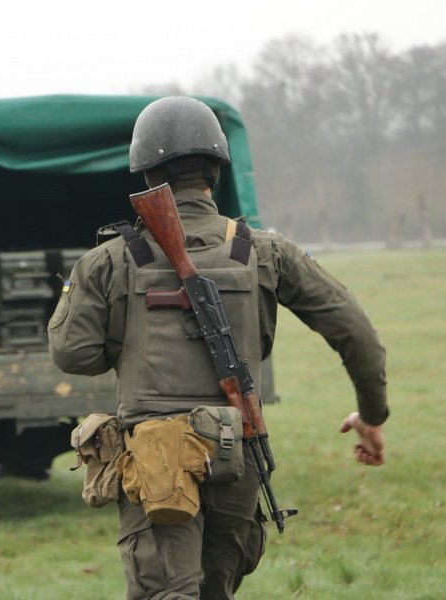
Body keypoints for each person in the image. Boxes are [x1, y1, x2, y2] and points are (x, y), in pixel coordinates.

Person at [48, 96, 388, 600]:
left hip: (156, 461)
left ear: (146, 174)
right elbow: (355, 330)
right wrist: (372, 414)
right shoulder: (264, 250)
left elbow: (73, 354)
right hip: (237, 452)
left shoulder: (109, 260)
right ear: (215, 171)